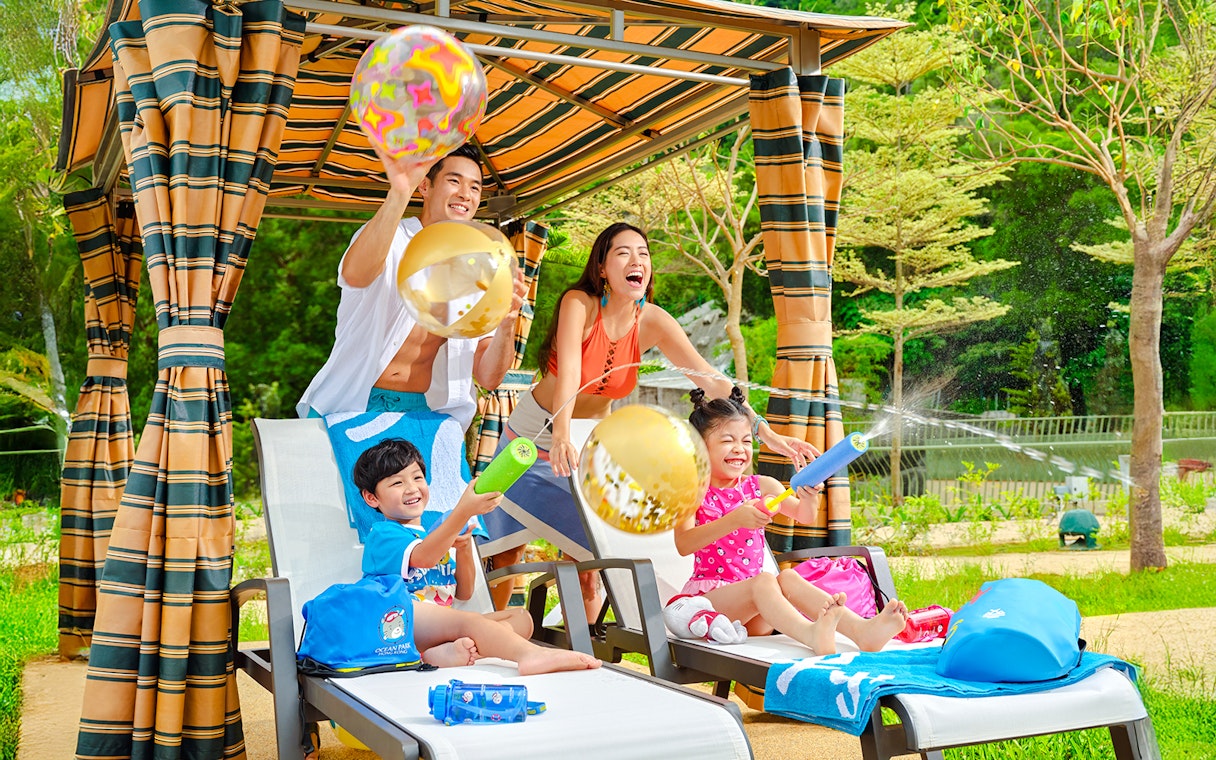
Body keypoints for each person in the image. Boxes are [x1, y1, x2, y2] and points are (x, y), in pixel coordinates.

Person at [481, 222, 820, 619]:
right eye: (623, 252)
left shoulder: (653, 320)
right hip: (537, 434)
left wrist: (767, 433)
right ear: (602, 268)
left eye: (643, 253)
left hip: (588, 444)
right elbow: (570, 373)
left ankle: (585, 645)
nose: (636, 260)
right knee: (505, 551)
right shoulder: (579, 303)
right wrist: (560, 434)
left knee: (595, 556)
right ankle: (492, 632)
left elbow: (712, 381)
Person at [297, 143, 526, 427]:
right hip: (353, 402)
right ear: (425, 186)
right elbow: (355, 276)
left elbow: (489, 377)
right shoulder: (391, 236)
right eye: (454, 181)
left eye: (475, 187)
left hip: (423, 411)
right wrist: (398, 194)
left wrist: (506, 327)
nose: (465, 194)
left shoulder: (481, 267)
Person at [675, 387, 909, 655]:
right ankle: (812, 634)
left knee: (785, 577)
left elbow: (805, 516)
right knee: (765, 580)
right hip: (712, 606)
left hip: (758, 609)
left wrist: (810, 495)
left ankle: (861, 631)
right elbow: (684, 543)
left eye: (747, 442)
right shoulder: (692, 491)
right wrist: (734, 519)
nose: (739, 449)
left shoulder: (761, 485)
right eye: (728, 441)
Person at [354, 438, 534, 661]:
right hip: (399, 622)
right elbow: (425, 558)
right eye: (397, 483)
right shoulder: (383, 534)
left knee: (521, 617)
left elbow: (464, 592)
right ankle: (526, 654)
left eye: (417, 477)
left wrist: (465, 546)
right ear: (371, 498)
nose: (411, 488)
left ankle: (439, 654)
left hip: (443, 626)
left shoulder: (435, 537)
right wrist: (464, 511)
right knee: (470, 622)